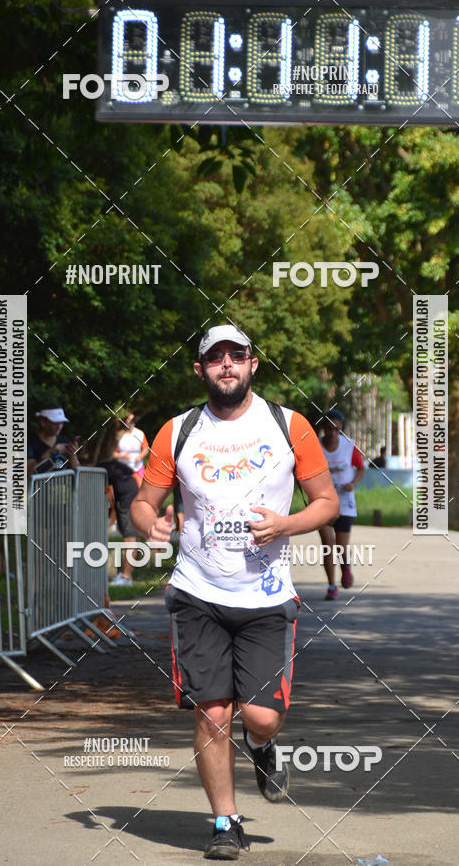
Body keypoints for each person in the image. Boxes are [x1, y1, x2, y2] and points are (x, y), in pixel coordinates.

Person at [130, 324, 338, 860]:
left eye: (237, 355)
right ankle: (225, 821)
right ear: (200, 369)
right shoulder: (175, 431)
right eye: (215, 357)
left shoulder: (288, 425)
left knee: (261, 716)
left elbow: (326, 503)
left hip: (266, 596)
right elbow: (142, 502)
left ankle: (262, 747)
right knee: (213, 712)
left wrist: (286, 525)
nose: (227, 364)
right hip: (197, 591)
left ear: (253, 364)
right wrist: (147, 522)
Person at [318, 409, 365, 600]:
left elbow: (361, 468)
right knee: (327, 544)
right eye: (329, 429)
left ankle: (346, 568)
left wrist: (352, 484)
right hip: (322, 500)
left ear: (341, 430)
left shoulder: (348, 446)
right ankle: (331, 585)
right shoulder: (316, 446)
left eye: (337, 429)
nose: (332, 433)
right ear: (323, 429)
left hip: (344, 501)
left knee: (341, 546)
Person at [99, 458, 141, 585]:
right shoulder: (112, 467)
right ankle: (124, 576)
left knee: (130, 540)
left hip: (127, 501)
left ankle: (126, 577)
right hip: (130, 497)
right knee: (129, 540)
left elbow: (109, 494)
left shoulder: (101, 469)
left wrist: (111, 518)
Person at [27, 407, 79, 477]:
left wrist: (73, 455)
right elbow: (30, 472)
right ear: (43, 422)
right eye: (55, 423)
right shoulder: (31, 444)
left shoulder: (65, 441)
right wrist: (50, 452)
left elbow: (77, 472)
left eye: (61, 423)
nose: (59, 427)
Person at [113, 413, 148, 478]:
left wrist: (140, 456)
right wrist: (122, 456)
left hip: (137, 470)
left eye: (132, 421)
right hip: (122, 470)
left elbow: (146, 449)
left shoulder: (140, 433)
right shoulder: (119, 435)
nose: (130, 423)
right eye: (128, 420)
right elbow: (113, 454)